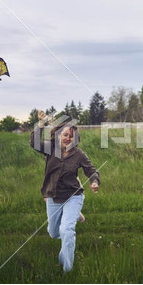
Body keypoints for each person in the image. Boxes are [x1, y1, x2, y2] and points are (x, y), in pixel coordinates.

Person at [30, 110, 99, 272]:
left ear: (75, 138)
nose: (68, 138)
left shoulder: (79, 154)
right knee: (54, 233)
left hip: (73, 195)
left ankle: (66, 269)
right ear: (60, 135)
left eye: (71, 136)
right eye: (65, 135)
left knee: (67, 230)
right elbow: (34, 142)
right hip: (53, 196)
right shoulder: (50, 149)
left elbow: (91, 170)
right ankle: (76, 215)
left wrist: (95, 181)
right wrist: (40, 123)